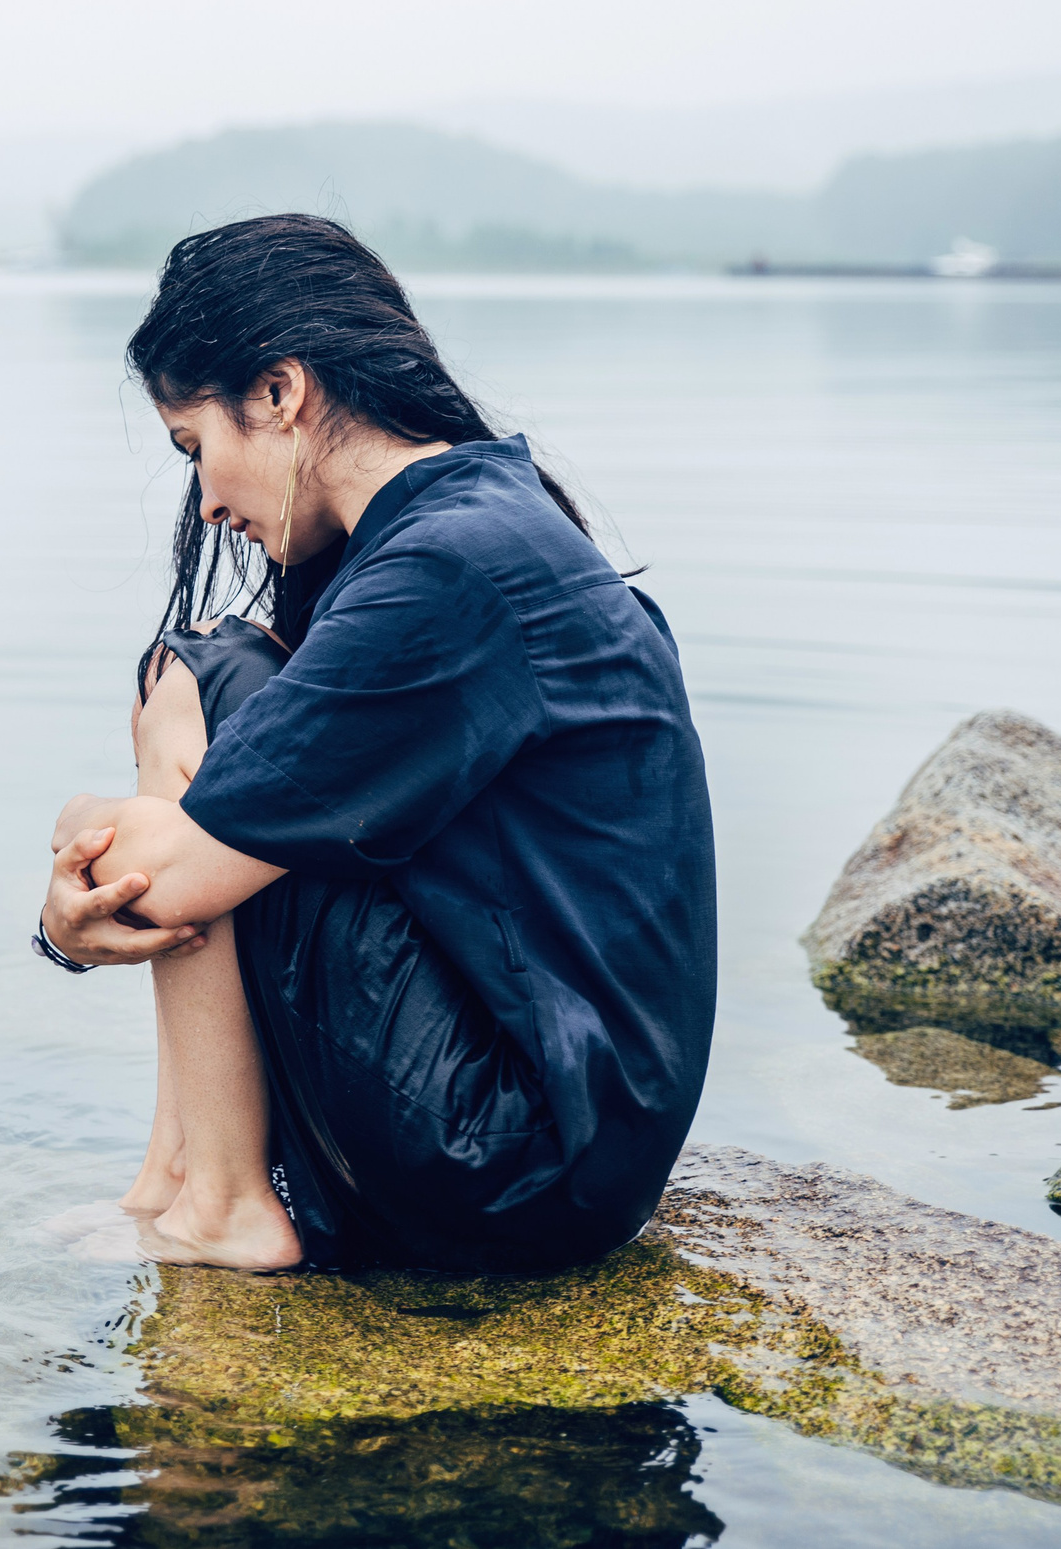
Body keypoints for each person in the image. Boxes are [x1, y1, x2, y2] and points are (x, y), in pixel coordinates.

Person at [36, 214, 716, 1275]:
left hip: (513, 1161)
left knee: (200, 677)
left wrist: (77, 859)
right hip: (565, 1143)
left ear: (277, 393)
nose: (206, 501)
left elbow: (157, 880)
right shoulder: (479, 524)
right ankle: (176, 1181)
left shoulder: (447, 568)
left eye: (194, 449)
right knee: (226, 682)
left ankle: (213, 1198)